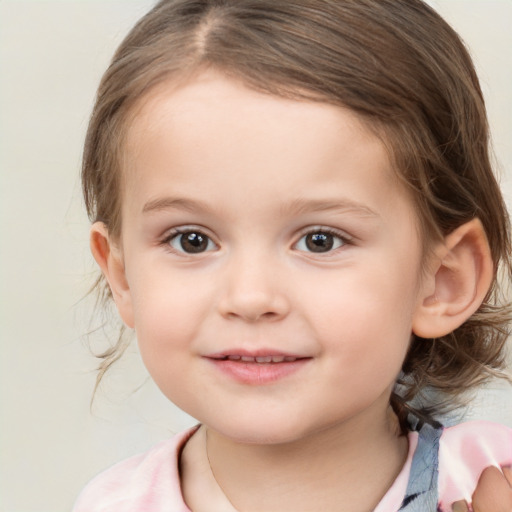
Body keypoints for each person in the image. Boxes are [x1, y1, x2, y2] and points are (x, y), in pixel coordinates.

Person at [73, 0, 512, 510]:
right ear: (122, 277)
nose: (251, 297)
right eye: (191, 239)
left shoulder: (489, 480)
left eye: (319, 240)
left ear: (442, 280)